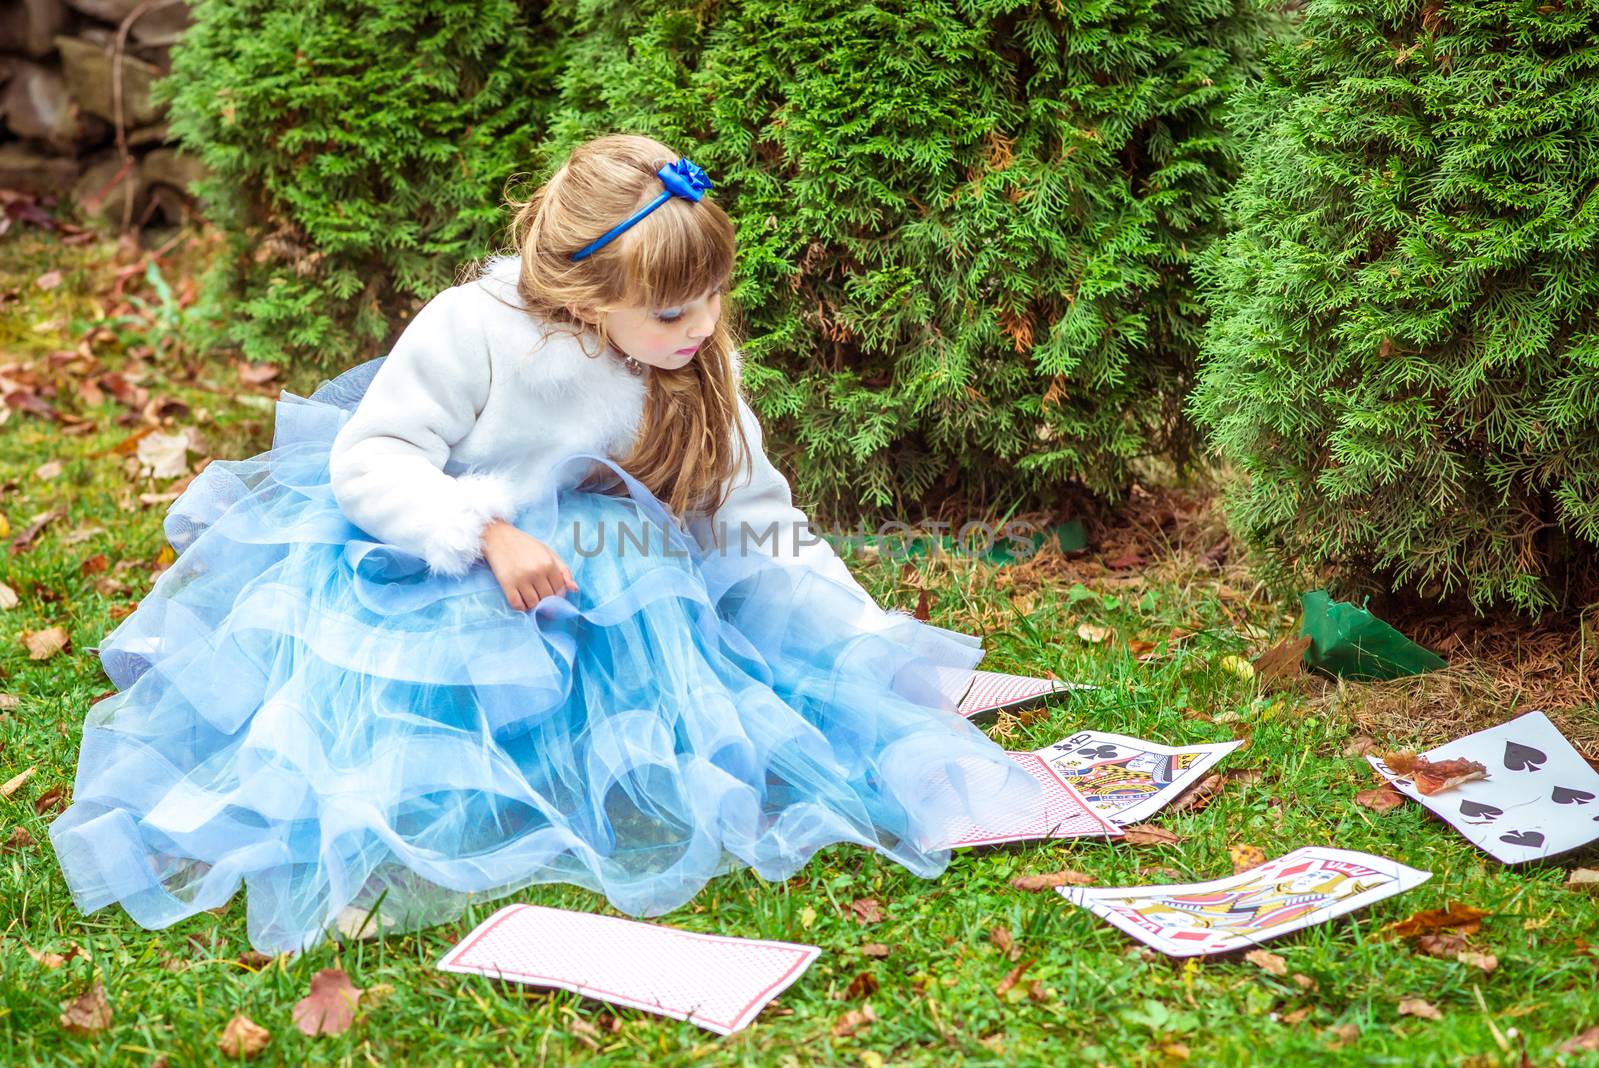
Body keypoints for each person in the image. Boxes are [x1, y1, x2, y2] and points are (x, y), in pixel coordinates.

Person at [49, 133, 1042, 955]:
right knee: (423, 742)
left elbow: (752, 510)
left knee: (666, 592)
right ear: (580, 297)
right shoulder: (473, 332)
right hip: (434, 568)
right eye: (672, 311)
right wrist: (481, 530)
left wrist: (855, 636)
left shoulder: (691, 360)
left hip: (609, 590)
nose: (703, 326)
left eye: (712, 299)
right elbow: (370, 464)